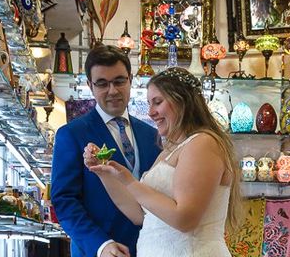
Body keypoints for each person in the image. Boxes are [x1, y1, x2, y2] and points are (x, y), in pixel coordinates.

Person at [83, 67, 242, 257]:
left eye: (157, 102)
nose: (151, 112)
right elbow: (139, 214)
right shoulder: (170, 150)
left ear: (182, 101)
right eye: (149, 104)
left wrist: (129, 181)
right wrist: (104, 172)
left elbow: (185, 219)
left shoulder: (203, 143)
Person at [52, 45, 161, 257]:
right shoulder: (71, 134)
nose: (112, 90)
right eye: (102, 83)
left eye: (119, 81)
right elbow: (64, 201)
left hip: (151, 249)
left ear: (131, 80)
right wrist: (100, 245)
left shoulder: (152, 135)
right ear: (90, 86)